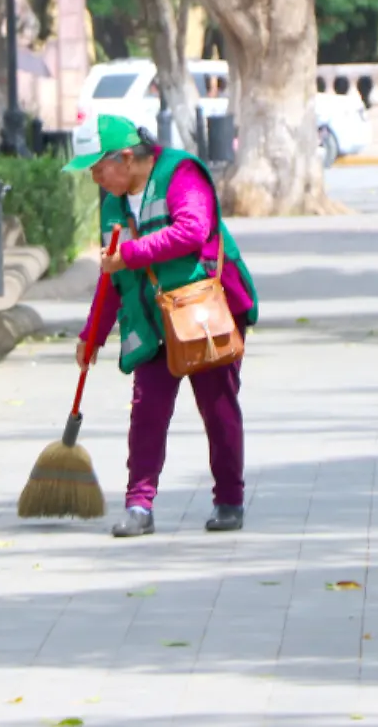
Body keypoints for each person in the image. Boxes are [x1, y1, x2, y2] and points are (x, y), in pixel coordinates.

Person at [66, 113, 258, 537]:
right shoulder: (114, 205)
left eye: (99, 168)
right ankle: (139, 504)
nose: (95, 178)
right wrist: (92, 335)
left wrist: (131, 253)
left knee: (217, 407)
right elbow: (113, 276)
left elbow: (193, 230)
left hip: (202, 310)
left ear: (128, 158)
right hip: (152, 320)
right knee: (147, 411)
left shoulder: (181, 173)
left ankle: (229, 498)